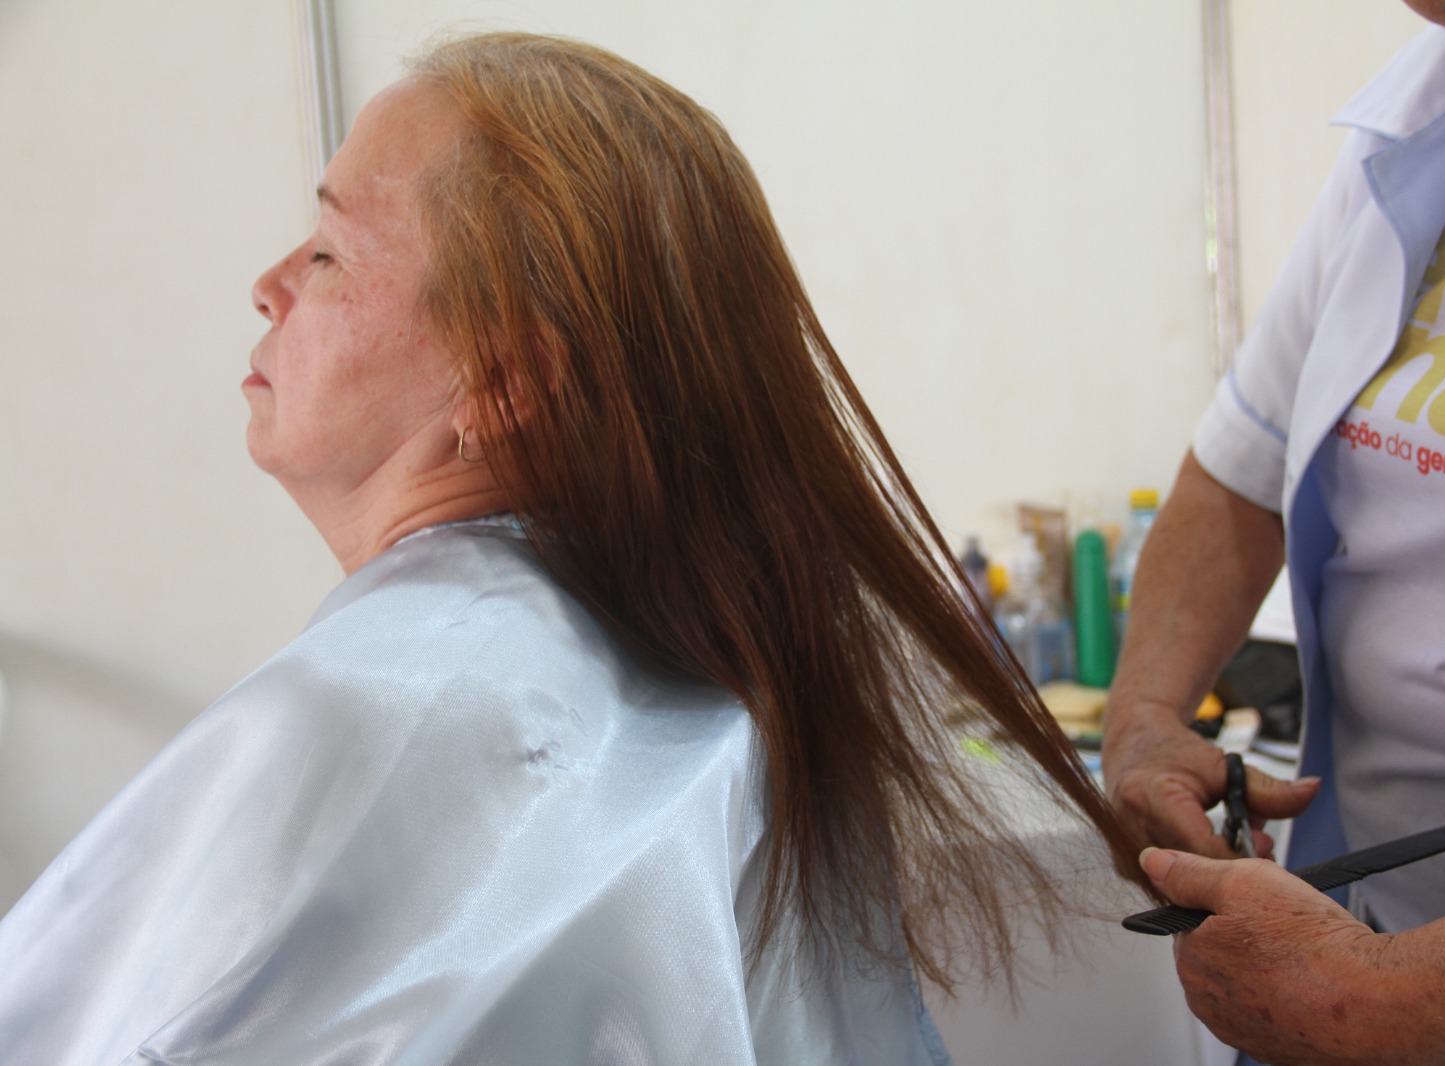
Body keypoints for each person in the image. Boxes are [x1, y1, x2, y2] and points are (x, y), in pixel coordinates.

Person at [0, 33, 1144, 1065]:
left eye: (329, 256)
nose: (267, 287)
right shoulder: (724, 672)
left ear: (503, 378)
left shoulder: (371, 709)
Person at [1102, 2, 1445, 1064]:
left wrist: (1413, 999)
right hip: (1369, 923)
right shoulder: (1431, 112)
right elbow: (1243, 465)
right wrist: (1144, 712)